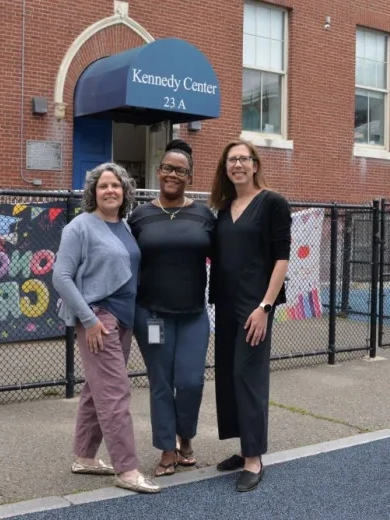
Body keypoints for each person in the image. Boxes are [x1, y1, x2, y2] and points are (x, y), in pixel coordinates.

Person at [52, 162, 160, 494]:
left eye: (116, 185)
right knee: (115, 393)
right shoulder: (80, 227)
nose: (110, 190)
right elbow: (61, 276)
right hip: (99, 318)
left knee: (96, 390)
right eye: (103, 186)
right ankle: (127, 469)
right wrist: (90, 320)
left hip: (124, 319)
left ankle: (84, 457)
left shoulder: (125, 227)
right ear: (93, 192)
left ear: (125, 191)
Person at [207, 139, 291, 492]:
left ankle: (255, 458)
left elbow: (282, 259)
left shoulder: (272, 203)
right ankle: (243, 450)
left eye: (243, 159)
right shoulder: (224, 209)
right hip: (225, 305)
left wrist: (265, 307)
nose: (237, 165)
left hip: (254, 306)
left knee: (248, 376)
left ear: (255, 164)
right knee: (228, 377)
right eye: (231, 160)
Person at [128, 139, 215, 477]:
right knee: (162, 381)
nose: (172, 174)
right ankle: (167, 449)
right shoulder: (140, 216)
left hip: (194, 315)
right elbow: (121, 260)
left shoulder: (204, 215)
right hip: (152, 315)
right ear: (158, 171)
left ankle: (186, 437)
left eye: (180, 170)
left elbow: (225, 259)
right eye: (167, 168)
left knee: (191, 381)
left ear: (190, 177)